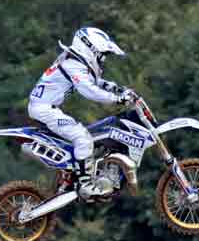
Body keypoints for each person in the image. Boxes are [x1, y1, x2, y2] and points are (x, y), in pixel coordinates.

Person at [28, 27, 136, 199]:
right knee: (83, 137)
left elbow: (92, 81)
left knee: (83, 136)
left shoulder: (74, 62)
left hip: (45, 107)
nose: (103, 59)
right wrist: (117, 99)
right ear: (91, 48)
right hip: (45, 110)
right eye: (102, 54)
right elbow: (89, 90)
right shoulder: (73, 65)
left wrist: (114, 87)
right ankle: (85, 185)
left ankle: (75, 175)